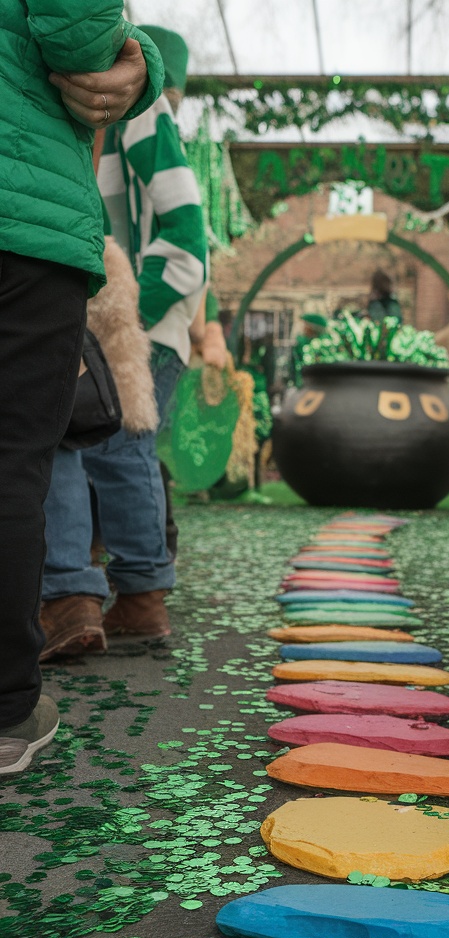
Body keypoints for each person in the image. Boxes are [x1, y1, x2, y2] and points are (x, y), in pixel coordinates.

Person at [0, 2, 163, 776]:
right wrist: (138, 58)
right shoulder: (159, 140)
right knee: (32, 454)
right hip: (25, 222)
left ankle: (103, 590)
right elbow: (76, 33)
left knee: (96, 439)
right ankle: (11, 697)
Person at [39, 24, 208, 656]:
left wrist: (131, 314)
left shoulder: (135, 110)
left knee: (112, 441)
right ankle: (127, 595)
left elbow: (187, 231)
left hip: (132, 309)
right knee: (100, 442)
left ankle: (105, 594)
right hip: (97, 304)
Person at [288, 313, 327, 388]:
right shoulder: (302, 343)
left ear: (313, 328)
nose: (303, 328)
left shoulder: (321, 347)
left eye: (306, 325)